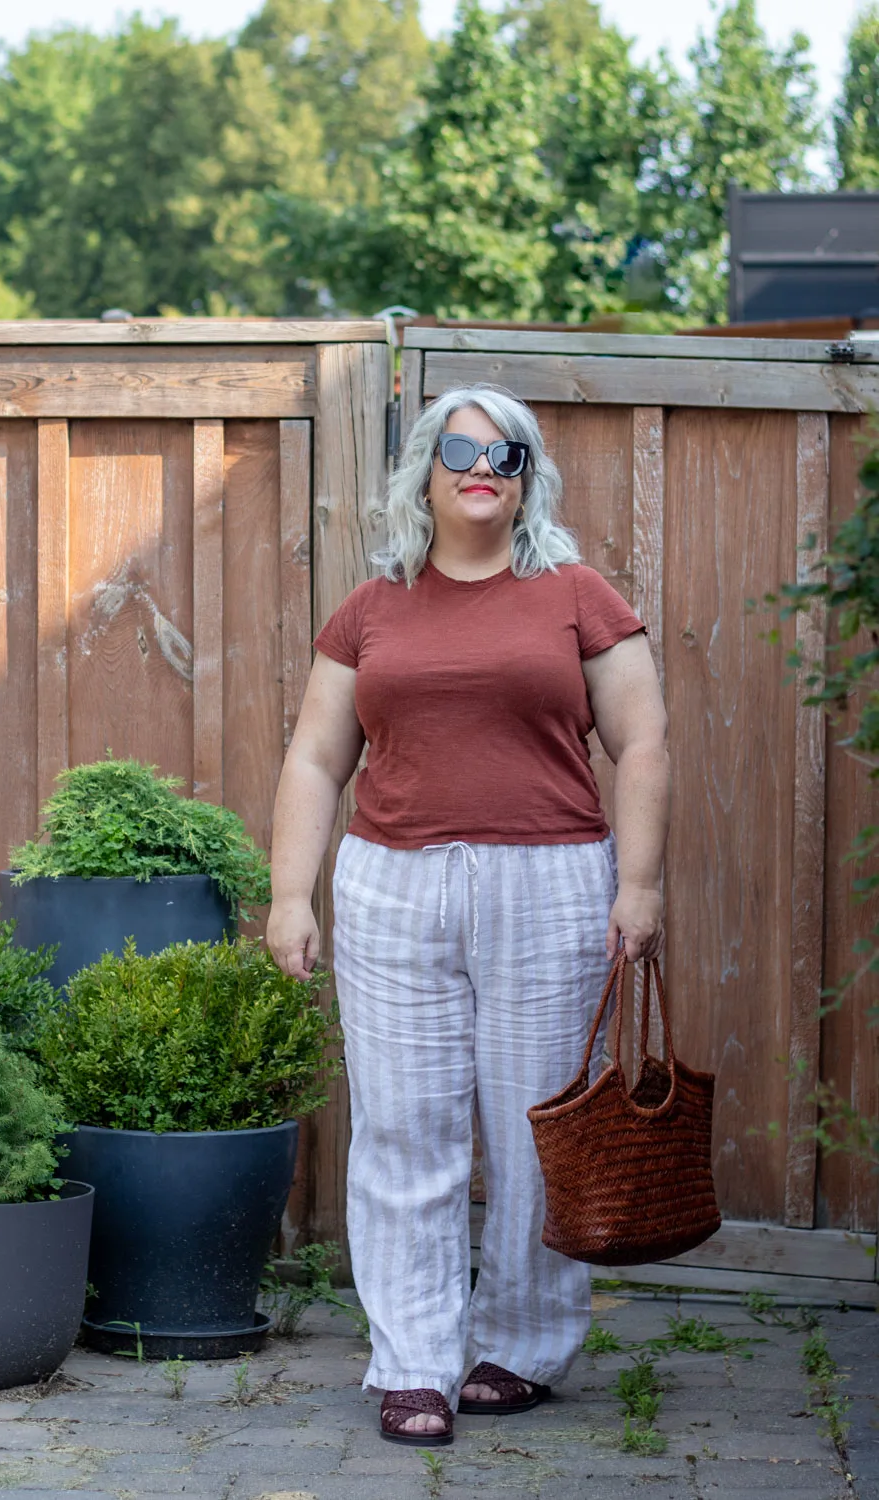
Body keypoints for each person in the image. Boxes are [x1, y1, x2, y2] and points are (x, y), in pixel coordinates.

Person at [267, 384, 670, 1447]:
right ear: (424, 470)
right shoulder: (371, 608)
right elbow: (315, 758)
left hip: (549, 883)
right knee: (404, 1130)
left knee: (536, 1130)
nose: (479, 467)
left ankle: (520, 1348)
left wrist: (639, 885)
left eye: (504, 453)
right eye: (458, 448)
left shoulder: (575, 594)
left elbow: (642, 743)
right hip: (393, 885)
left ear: (526, 474)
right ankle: (412, 1362)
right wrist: (287, 896)